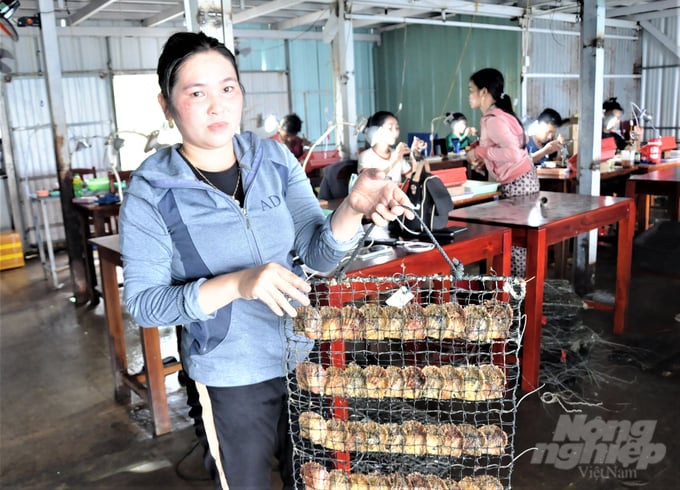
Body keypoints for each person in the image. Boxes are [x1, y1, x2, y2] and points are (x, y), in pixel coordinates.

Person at [119, 31, 413, 489]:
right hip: (230, 377)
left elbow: (316, 252)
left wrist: (352, 208)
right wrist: (238, 284)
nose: (217, 106)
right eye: (197, 93)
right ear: (166, 104)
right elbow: (144, 302)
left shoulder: (273, 159)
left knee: (314, 479)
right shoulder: (152, 191)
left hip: (301, 356)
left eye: (227, 88)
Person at [465, 68, 539, 277]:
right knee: (519, 242)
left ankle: (516, 299)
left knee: (516, 242)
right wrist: (484, 157)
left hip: (517, 184)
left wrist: (479, 151)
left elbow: (513, 153)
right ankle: (518, 296)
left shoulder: (494, 118)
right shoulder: (500, 114)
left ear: (484, 92)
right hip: (524, 180)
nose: (469, 95)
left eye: (471, 90)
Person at [358, 110, 427, 183]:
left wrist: (413, 155)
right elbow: (371, 182)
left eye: (397, 128)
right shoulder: (365, 156)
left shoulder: (396, 153)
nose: (395, 132)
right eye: (390, 128)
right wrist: (395, 160)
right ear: (375, 131)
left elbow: (414, 180)